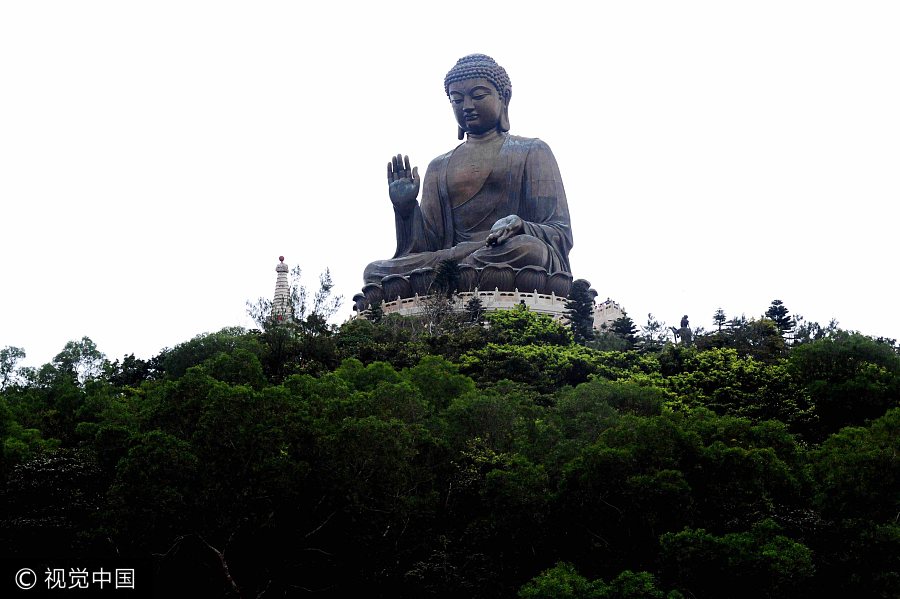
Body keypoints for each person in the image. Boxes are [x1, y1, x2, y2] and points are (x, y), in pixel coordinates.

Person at [362, 54, 573, 289]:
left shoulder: (532, 151)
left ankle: (456, 273)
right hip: (451, 260)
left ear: (504, 98)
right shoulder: (438, 167)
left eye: (478, 96)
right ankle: (456, 272)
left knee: (528, 249)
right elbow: (425, 247)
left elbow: (558, 232)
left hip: (504, 253)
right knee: (374, 272)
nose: (468, 107)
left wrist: (520, 225)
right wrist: (406, 209)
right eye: (457, 100)